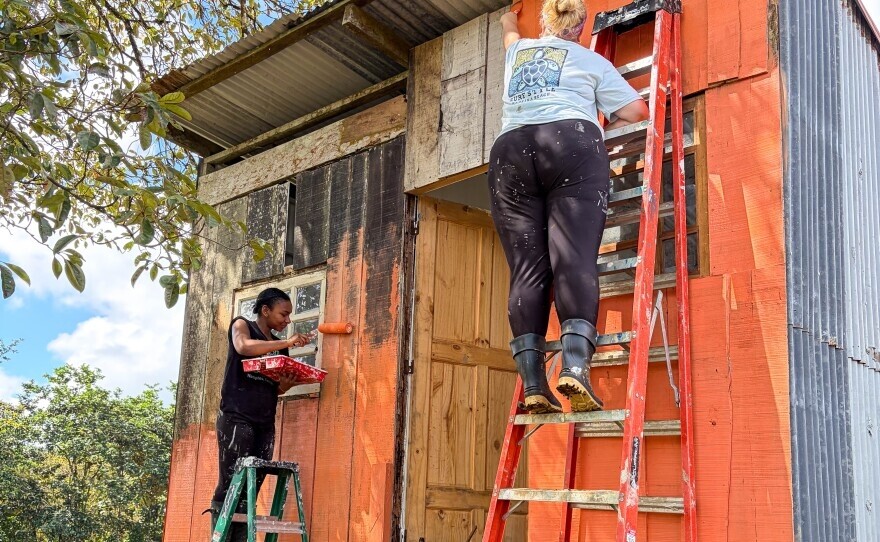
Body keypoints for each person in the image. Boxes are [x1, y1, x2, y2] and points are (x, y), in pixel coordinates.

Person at [490, 0, 649, 413]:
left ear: (543, 23)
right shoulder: (591, 60)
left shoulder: (518, 52)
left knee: (526, 269)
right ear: (580, 27)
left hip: (510, 151)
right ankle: (575, 369)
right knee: (573, 258)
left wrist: (509, 16)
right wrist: (599, 129)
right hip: (572, 143)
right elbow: (637, 110)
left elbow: (509, 31)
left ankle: (533, 384)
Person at [208, 287, 311, 537]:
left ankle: (241, 538)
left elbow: (274, 389)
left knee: (252, 484)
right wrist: (286, 341)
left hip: (265, 422)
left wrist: (287, 384)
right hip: (236, 417)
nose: (287, 320)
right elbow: (243, 346)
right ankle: (221, 536)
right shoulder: (242, 325)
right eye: (283, 314)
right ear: (265, 310)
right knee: (232, 481)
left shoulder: (280, 349)